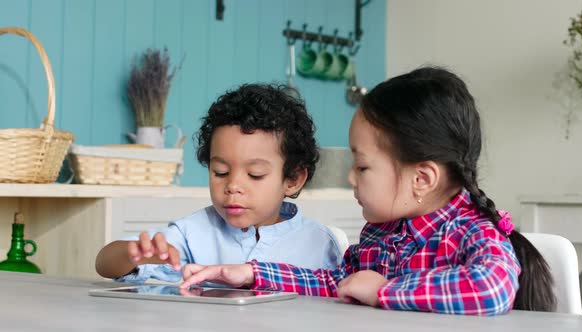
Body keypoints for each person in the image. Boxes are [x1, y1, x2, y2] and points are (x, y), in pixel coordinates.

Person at [179, 67, 556, 315]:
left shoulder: (471, 233)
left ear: (422, 179)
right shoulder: (382, 232)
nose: (351, 178)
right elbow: (335, 282)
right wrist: (251, 273)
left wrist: (386, 291)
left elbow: (489, 289)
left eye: (362, 167)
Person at [95, 84, 343, 283]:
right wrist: (133, 253)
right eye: (220, 172)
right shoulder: (194, 232)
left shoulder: (319, 244)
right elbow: (105, 264)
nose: (233, 185)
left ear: (293, 180)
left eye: (255, 174)